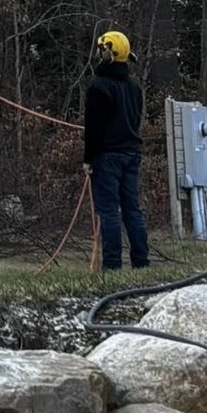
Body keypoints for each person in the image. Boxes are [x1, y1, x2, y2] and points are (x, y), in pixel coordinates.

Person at [83, 29, 150, 271]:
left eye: (101, 49)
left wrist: (88, 159)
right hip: (132, 154)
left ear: (108, 53)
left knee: (109, 211)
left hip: (107, 156)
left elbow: (93, 128)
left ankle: (112, 266)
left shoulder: (99, 86)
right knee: (132, 209)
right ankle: (141, 263)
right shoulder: (134, 87)